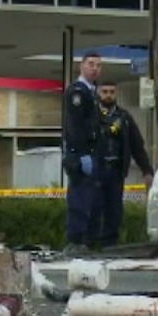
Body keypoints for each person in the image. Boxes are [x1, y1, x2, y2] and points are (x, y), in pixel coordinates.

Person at [89, 80, 155, 248]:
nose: (108, 95)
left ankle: (110, 245)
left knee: (114, 210)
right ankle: (90, 245)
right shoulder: (91, 116)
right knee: (94, 208)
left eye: (112, 92)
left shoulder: (124, 118)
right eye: (105, 91)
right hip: (95, 171)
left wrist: (146, 170)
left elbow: (137, 146)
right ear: (98, 93)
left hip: (116, 172)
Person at [62, 52, 102, 256]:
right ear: (82, 66)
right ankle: (75, 241)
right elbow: (76, 127)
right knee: (79, 200)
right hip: (79, 155)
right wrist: (81, 154)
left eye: (98, 65)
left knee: (91, 201)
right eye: (91, 64)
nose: (95, 68)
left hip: (90, 154)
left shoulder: (92, 92)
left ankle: (86, 241)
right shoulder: (78, 92)